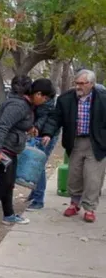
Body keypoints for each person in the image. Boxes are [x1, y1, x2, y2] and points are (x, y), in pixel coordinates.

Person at [0, 75, 50, 232]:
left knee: (9, 183)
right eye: (44, 97)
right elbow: (2, 127)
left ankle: (9, 214)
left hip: (10, 147)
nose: (45, 101)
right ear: (37, 94)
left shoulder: (26, 105)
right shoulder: (18, 105)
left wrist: (29, 128)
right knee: (1, 183)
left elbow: (15, 124)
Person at [41, 69, 106, 222]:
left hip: (96, 143)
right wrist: (48, 133)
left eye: (82, 84)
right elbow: (55, 119)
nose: (78, 87)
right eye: (76, 83)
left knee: (93, 178)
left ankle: (89, 208)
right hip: (75, 142)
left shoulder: (103, 99)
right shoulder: (65, 99)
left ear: (91, 84)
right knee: (74, 176)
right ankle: (74, 204)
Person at [25, 79, 58, 211]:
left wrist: (37, 128)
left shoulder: (48, 104)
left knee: (38, 165)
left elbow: (45, 119)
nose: (42, 99)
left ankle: (38, 199)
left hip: (46, 136)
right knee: (35, 164)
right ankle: (34, 193)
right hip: (38, 133)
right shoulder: (36, 100)